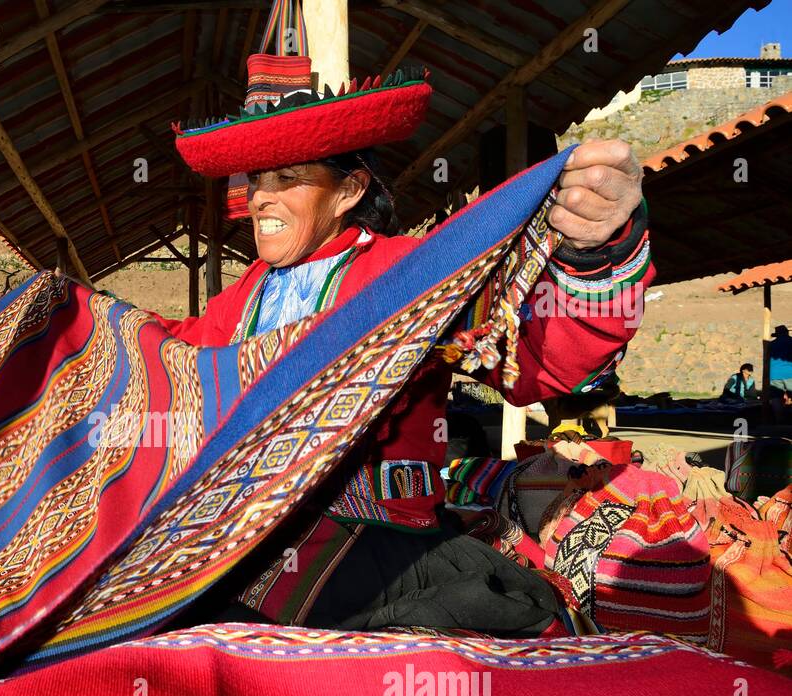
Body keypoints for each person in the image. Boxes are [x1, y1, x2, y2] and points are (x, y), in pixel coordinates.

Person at [158, 58, 651, 638]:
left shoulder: (409, 272)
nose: (262, 198)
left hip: (384, 548)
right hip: (251, 536)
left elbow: (535, 357)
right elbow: (177, 357)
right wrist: (76, 329)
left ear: (348, 190)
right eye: (258, 181)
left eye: (287, 178)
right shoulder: (244, 297)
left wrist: (597, 247)